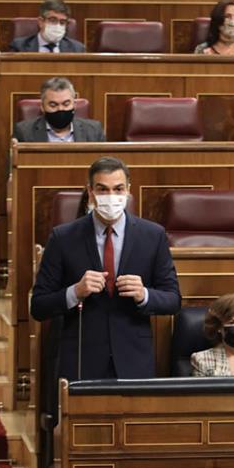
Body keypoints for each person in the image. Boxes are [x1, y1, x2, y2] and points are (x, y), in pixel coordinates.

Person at [30, 156, 182, 380]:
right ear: (90, 192)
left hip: (134, 361)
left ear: (128, 190)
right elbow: (39, 306)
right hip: (81, 362)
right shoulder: (63, 238)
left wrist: (144, 295)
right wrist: (75, 292)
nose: (111, 196)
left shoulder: (152, 235)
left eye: (118, 189)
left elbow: (173, 300)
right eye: (102, 189)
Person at [12, 77, 105, 143]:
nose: (60, 109)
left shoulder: (94, 131)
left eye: (66, 104)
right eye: (53, 105)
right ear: (42, 107)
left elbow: (104, 167)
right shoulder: (24, 132)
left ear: (74, 105)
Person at [8, 0, 84, 53]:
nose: (58, 25)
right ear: (41, 22)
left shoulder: (77, 49)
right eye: (53, 20)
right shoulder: (19, 47)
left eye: (62, 22)